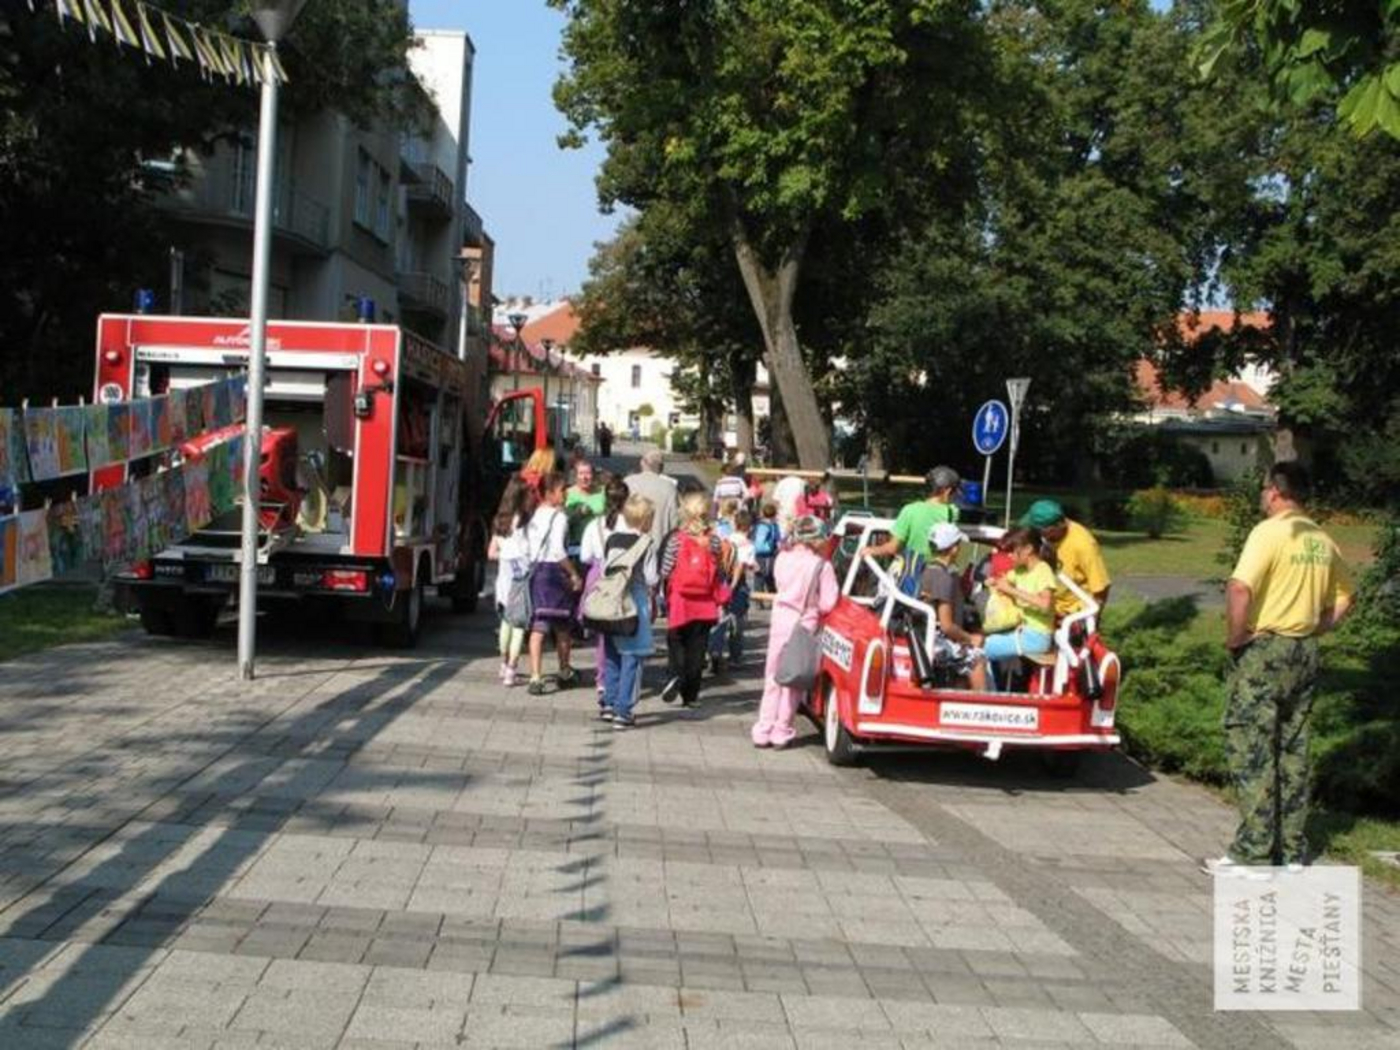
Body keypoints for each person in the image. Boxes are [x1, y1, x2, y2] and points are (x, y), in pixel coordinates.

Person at [1203, 463, 1354, 876]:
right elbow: (1347, 595)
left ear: (1274, 491)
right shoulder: (1320, 539)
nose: (1262, 496)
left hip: (1266, 649)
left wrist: (1236, 637)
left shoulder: (1269, 532)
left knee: (1252, 746)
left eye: (1263, 489)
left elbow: (1239, 586)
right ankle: (1290, 849)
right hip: (1304, 651)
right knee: (1292, 748)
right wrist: (1318, 627)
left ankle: (1253, 852)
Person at [752, 515, 839, 749]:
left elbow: (779, 584)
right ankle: (781, 730)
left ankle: (763, 729)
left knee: (773, 676)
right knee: (794, 680)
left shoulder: (782, 557)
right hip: (804, 624)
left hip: (780, 619)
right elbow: (828, 603)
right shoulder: (822, 566)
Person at [597, 495, 659, 730]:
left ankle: (609, 702)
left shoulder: (612, 539)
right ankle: (624, 710)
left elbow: (605, 568)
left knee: (612, 654)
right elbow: (651, 578)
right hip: (634, 602)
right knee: (633, 655)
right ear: (646, 520)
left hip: (611, 602)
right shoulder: (646, 543)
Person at [659, 491, 725, 707]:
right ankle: (691, 695)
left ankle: (677, 673)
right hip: (705, 602)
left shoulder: (676, 540)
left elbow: (665, 570)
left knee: (676, 641)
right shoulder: (713, 541)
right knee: (698, 647)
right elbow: (719, 570)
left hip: (680, 600)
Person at [525, 472, 585, 696]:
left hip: (537, 572)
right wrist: (574, 574)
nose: (565, 494)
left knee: (538, 626)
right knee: (562, 627)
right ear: (550, 493)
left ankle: (535, 676)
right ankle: (564, 670)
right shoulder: (559, 518)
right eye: (562, 490)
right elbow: (559, 551)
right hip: (554, 574)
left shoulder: (534, 515)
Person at [580, 478, 632, 711]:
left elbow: (584, 556)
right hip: (622, 580)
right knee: (624, 632)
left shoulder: (595, 525)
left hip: (598, 579)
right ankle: (622, 681)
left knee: (602, 636)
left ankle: (603, 680)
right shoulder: (630, 526)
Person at [981, 527, 1057, 687]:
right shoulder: (1020, 571)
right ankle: (995, 689)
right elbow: (1004, 581)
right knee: (983, 642)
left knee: (980, 651)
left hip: (1037, 637)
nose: (1009, 556)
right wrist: (994, 582)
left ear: (1028, 549)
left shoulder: (1043, 570)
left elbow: (1045, 604)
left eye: (1013, 552)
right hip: (1022, 631)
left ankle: (990, 695)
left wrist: (1011, 591)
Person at [917, 524, 989, 691]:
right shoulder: (944, 578)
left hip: (925, 634)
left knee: (964, 656)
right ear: (954, 549)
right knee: (976, 658)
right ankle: (982, 701)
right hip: (936, 641)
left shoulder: (928, 569)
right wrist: (970, 638)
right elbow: (947, 626)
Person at [1020, 499, 1111, 618]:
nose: (1034, 532)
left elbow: (1101, 588)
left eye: (1037, 529)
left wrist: (1091, 619)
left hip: (1074, 610)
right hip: (1049, 602)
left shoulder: (1083, 545)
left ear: (1054, 528)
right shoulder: (1045, 537)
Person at [488, 476, 535, 687]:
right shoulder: (525, 522)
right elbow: (531, 550)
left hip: (503, 579)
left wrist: (505, 555)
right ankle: (511, 669)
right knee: (519, 626)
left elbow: (491, 553)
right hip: (521, 578)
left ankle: (503, 662)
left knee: (505, 623)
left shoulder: (500, 520)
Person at [868, 466, 962, 564]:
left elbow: (892, 548)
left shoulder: (909, 510)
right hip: (937, 568)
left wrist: (870, 550)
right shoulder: (952, 512)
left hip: (914, 569)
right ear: (947, 491)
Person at [709, 508, 757, 673]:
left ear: (735, 524)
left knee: (720, 620)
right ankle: (735, 657)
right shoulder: (749, 545)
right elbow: (743, 566)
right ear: (750, 527)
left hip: (722, 582)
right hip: (738, 586)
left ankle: (715, 652)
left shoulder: (726, 540)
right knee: (737, 623)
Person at [624, 448, 679, 552]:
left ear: (642, 462)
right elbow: (674, 522)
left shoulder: (628, 482)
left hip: (628, 546)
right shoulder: (669, 488)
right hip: (658, 546)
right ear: (661, 468)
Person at [565, 459, 606, 550]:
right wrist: (578, 513)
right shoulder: (567, 493)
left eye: (588, 473)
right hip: (576, 544)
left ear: (593, 475)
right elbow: (564, 520)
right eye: (581, 473)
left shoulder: (602, 492)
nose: (584, 477)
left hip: (598, 543)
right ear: (575, 476)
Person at [752, 502, 781, 595]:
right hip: (768, 555)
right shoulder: (772, 526)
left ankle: (759, 598)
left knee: (759, 578)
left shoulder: (760, 525)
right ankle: (772, 596)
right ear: (774, 514)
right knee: (769, 577)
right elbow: (778, 540)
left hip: (759, 556)